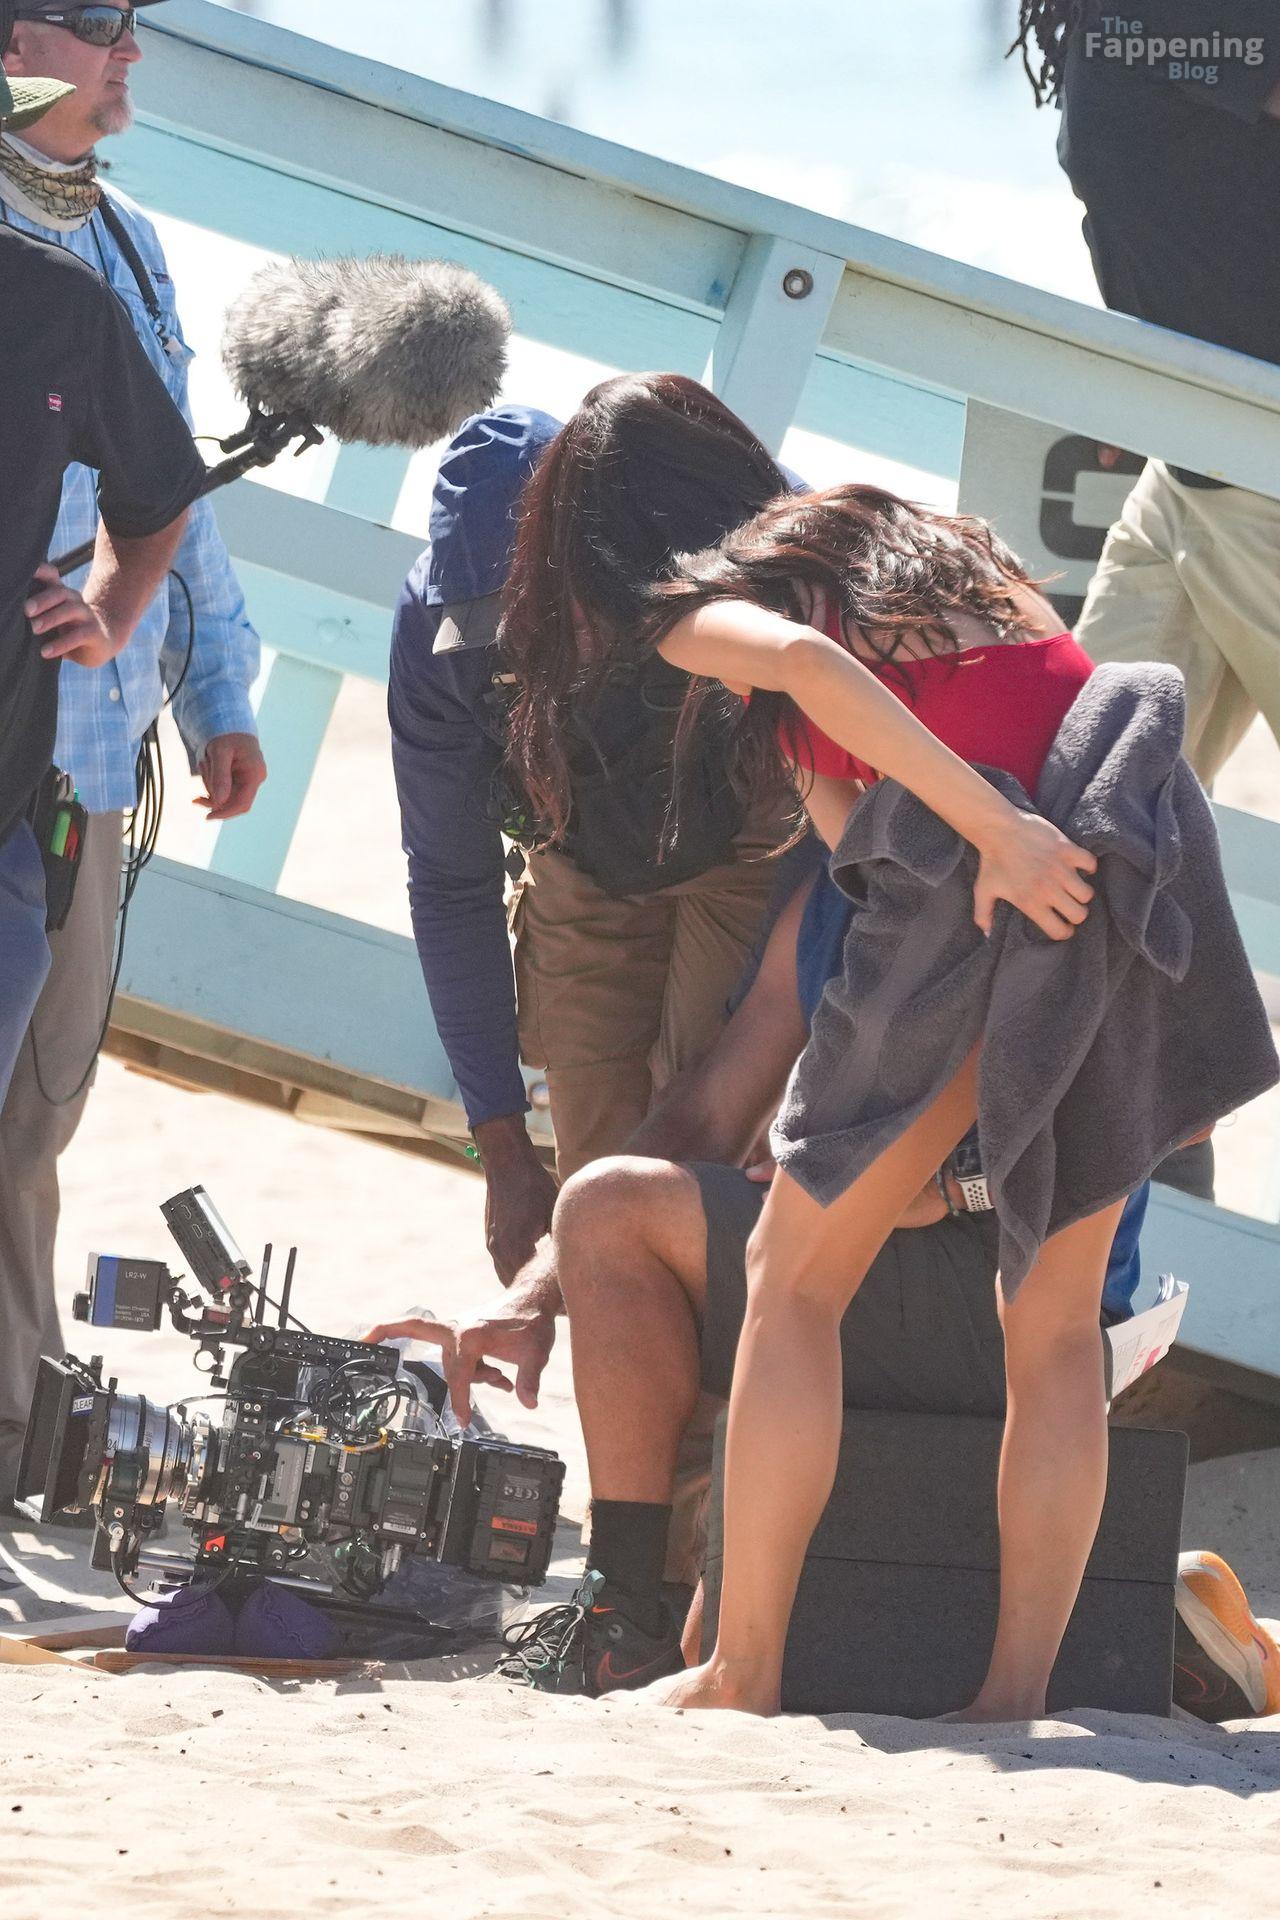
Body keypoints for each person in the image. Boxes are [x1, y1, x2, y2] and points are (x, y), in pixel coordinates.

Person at [498, 375, 1277, 1720]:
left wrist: (992, 830)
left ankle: (742, 1672)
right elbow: (936, 777)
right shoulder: (939, 554)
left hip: (992, 902)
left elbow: (817, 688)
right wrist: (1000, 829)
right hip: (1109, 904)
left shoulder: (718, 613)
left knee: (788, 1282)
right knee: (1051, 1336)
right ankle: (1015, 1693)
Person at [366, 870, 1280, 1723]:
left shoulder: (1018, 859)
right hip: (867, 1262)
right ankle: (628, 1619)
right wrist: (540, 1289)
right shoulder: (833, 885)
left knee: (620, 1214)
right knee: (607, 1206)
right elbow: (710, 1112)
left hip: (1018, 1293)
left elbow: (1169, 1097)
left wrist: (944, 1187)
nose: (800, 780)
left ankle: (653, 1620)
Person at [0, 0, 265, 1503]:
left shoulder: (128, 242)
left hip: (93, 753)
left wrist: (218, 688)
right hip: (22, 730)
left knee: (38, 1108)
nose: (130, 49)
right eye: (97, 20)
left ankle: (15, 1417)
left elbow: (169, 489)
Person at [389, 399, 795, 1286]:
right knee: (593, 1172)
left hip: (748, 832)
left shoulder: (725, 539)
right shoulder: (436, 632)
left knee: (705, 1150)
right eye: (487, 624)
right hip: (582, 843)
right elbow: (449, 881)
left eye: (534, 613)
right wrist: (500, 1144)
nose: (514, 646)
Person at [1012, 1, 1280, 784]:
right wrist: (1144, 374)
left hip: (1258, 464)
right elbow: (1172, 213)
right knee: (1091, 799)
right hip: (1191, 459)